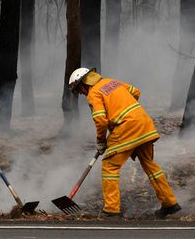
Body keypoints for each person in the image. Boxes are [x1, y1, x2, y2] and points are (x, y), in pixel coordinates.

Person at [68, 67, 181, 218]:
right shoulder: (112, 82)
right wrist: (122, 107)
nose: (80, 93)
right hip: (144, 124)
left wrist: (101, 140)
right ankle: (170, 203)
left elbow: (100, 120)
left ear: (84, 83)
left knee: (110, 166)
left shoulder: (94, 93)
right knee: (150, 164)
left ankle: (111, 209)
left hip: (127, 128)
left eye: (78, 89)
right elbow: (136, 91)